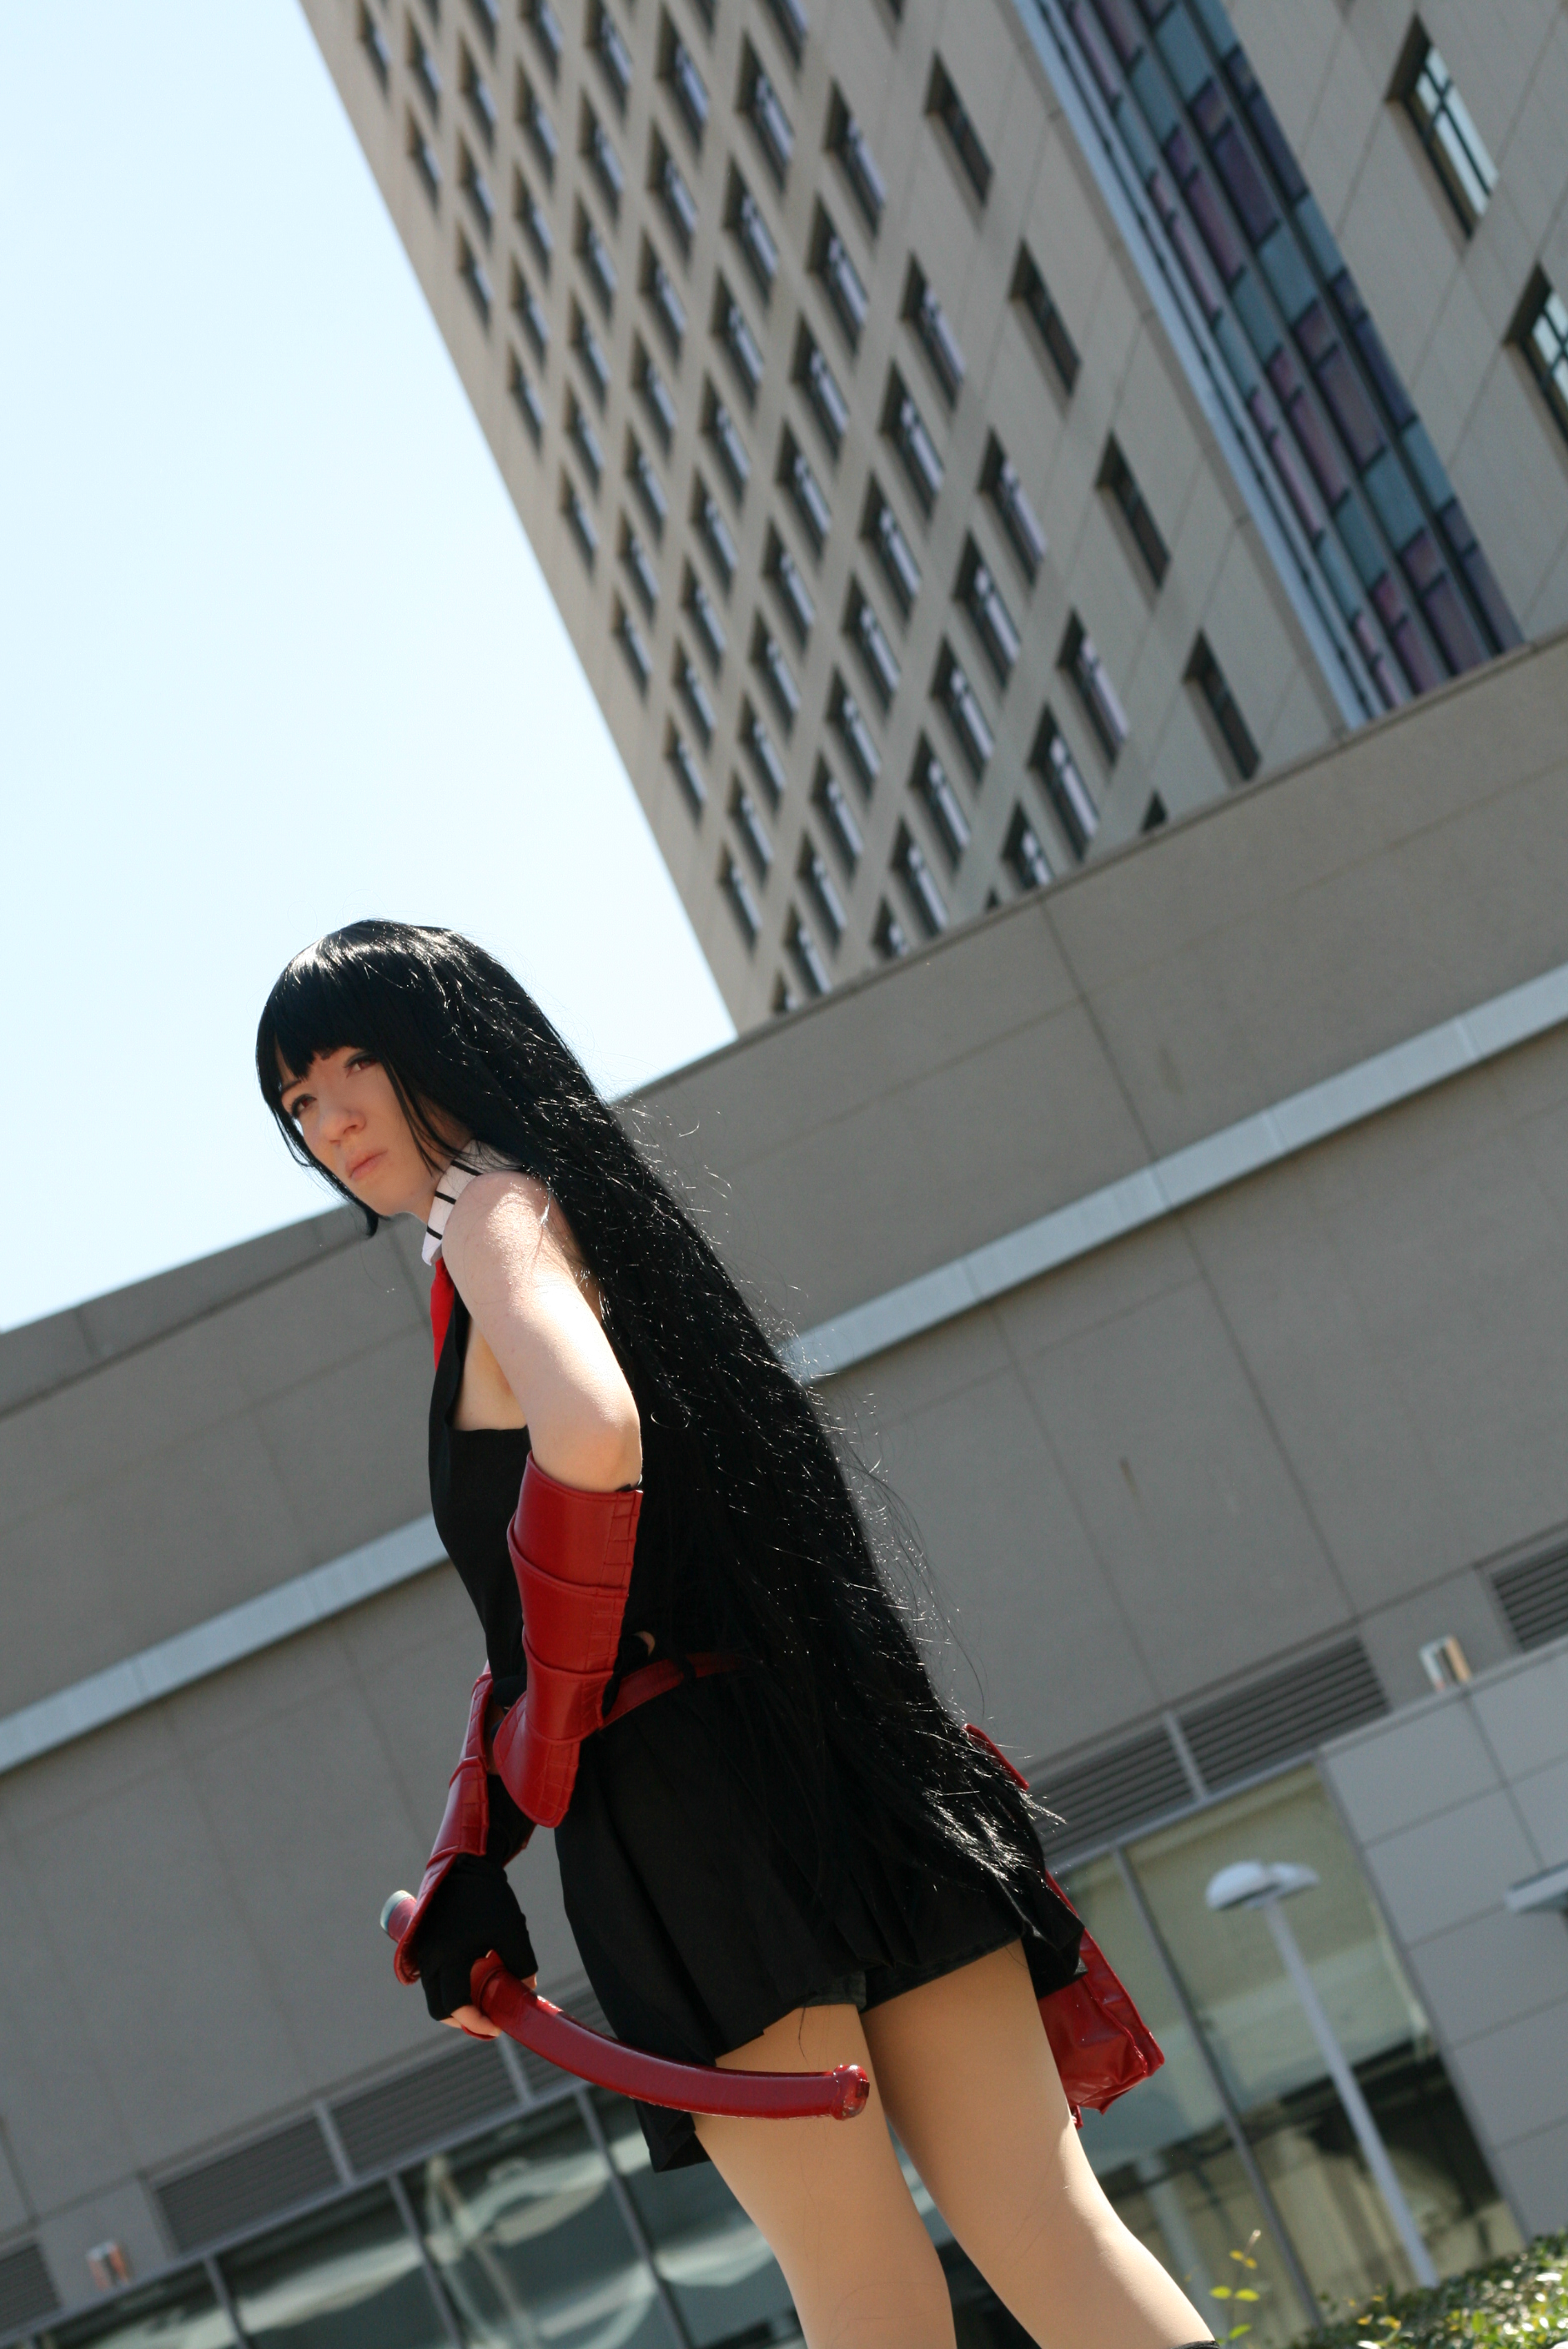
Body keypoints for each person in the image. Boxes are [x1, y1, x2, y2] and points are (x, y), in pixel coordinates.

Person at [257, 921, 1214, 2349]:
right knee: (1049, 2226)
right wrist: (477, 1844)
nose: (329, 1119)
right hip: (846, 1747)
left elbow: (594, 1440)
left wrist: (522, 1792)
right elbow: (561, 1599)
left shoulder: (493, 1212)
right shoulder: (603, 1217)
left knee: (862, 2290)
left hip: (686, 1813)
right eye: (296, 1098)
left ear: (446, 1043)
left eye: (351, 1064)